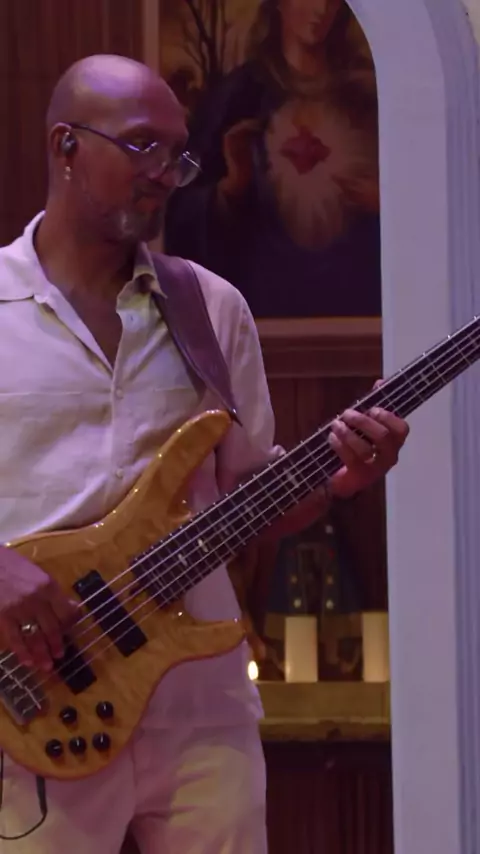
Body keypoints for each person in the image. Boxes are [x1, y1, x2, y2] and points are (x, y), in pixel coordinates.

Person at [0, 54, 408, 854]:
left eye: (178, 155)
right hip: (43, 692)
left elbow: (250, 499)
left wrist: (341, 479)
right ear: (66, 145)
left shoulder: (210, 307)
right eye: (142, 146)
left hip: (201, 707)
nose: (166, 173)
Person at [165, 0, 381, 318]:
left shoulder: (368, 94)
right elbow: (176, 218)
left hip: (355, 294)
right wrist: (229, 191)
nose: (321, 9)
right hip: (261, 298)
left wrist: (387, 206)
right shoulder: (237, 96)